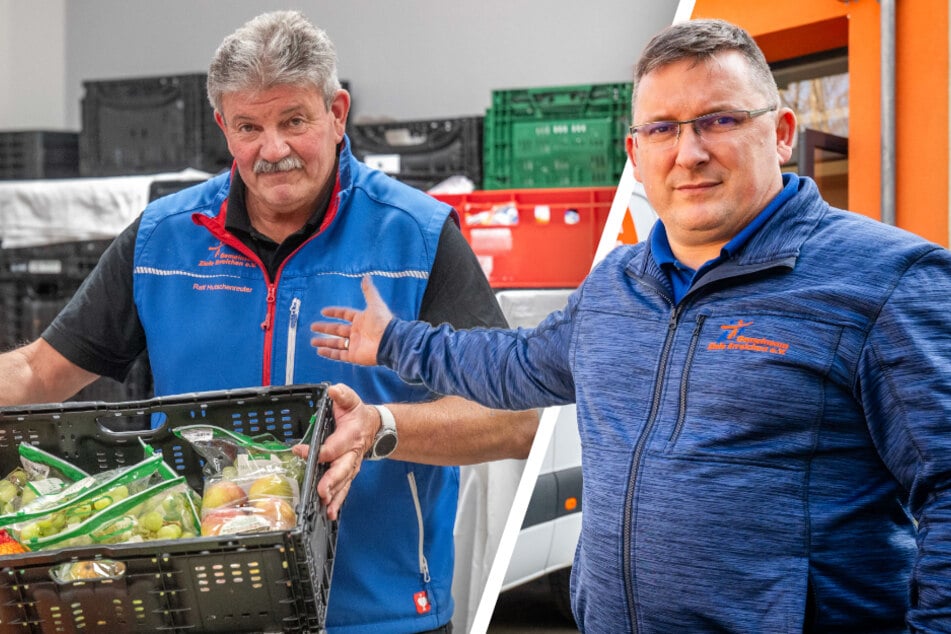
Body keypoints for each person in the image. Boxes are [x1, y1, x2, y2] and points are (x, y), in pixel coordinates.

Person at [310, 18, 951, 633]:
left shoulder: (886, 282)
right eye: (664, 129)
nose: (690, 152)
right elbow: (518, 366)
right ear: (636, 153)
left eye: (719, 120)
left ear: (781, 132)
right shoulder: (620, 281)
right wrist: (395, 341)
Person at [0, 10, 538, 634]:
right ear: (222, 126)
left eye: (294, 121)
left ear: (337, 114)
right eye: (249, 127)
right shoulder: (163, 243)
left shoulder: (415, 238)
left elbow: (515, 418)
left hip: (376, 613)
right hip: (193, 611)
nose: (272, 150)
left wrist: (382, 428)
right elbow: (38, 370)